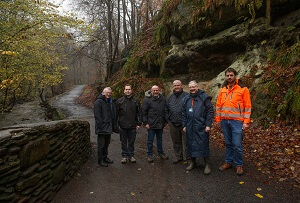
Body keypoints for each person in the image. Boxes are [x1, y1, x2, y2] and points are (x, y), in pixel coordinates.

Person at [216, 68, 251, 175]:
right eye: (227, 75)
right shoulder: (223, 90)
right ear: (225, 77)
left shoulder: (243, 89)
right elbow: (218, 106)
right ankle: (228, 162)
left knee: (237, 144)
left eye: (231, 75)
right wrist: (218, 119)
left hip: (237, 122)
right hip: (224, 121)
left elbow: (248, 106)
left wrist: (246, 122)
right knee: (228, 143)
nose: (229, 77)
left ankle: (239, 165)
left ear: (235, 76)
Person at [182, 80, 214, 175]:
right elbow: (183, 112)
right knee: (190, 144)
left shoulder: (204, 97)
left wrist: (208, 125)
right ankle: (193, 162)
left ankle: (207, 164)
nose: (192, 88)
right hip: (190, 126)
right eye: (190, 87)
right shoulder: (186, 98)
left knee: (203, 143)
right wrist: (184, 125)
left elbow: (210, 112)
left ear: (197, 87)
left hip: (201, 126)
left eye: (193, 87)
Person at [142, 85, 168, 163]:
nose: (156, 91)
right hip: (151, 124)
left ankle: (160, 153)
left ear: (159, 90)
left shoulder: (163, 99)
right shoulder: (146, 99)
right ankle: (150, 155)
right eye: (154, 90)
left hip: (160, 123)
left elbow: (166, 110)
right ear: (151, 90)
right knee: (150, 140)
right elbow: (144, 112)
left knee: (159, 140)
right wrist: (145, 123)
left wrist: (166, 121)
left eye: (157, 90)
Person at [116, 85, 142, 164]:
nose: (128, 91)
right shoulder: (120, 101)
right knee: (123, 141)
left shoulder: (136, 101)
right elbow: (116, 113)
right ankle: (124, 156)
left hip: (132, 125)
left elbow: (139, 113)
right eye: (126, 89)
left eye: (129, 89)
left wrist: (139, 123)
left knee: (131, 141)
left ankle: (131, 155)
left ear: (131, 90)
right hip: (123, 125)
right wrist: (117, 123)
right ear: (124, 91)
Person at [165, 80, 189, 164]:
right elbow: (166, 109)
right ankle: (178, 156)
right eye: (175, 85)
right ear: (173, 86)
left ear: (181, 85)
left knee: (187, 141)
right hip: (173, 122)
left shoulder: (187, 96)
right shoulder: (170, 97)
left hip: (184, 123)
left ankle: (188, 158)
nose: (177, 87)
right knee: (176, 141)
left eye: (178, 85)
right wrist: (168, 119)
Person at [94, 87, 118, 167]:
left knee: (106, 144)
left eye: (110, 93)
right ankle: (100, 160)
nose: (109, 94)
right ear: (103, 93)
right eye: (107, 92)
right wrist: (101, 126)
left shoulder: (110, 102)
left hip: (108, 127)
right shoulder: (98, 102)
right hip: (102, 128)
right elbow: (97, 116)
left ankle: (105, 157)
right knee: (101, 145)